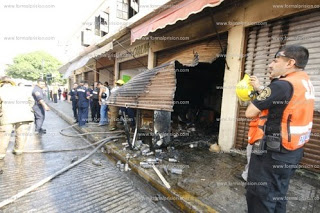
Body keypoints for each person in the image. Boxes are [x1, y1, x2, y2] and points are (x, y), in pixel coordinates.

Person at [245, 45, 314, 213]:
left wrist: (258, 93)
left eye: (275, 60)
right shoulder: (304, 82)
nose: (270, 65)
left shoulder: (281, 85)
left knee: (260, 198)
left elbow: (250, 112)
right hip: (292, 152)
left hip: (272, 154)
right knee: (278, 195)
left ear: (290, 62)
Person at [0, 76, 35, 159]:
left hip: (7, 116)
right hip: (24, 115)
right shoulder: (22, 89)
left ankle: (1, 155)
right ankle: (18, 151)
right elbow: (31, 101)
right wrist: (27, 108)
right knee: (21, 134)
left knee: (4, 136)